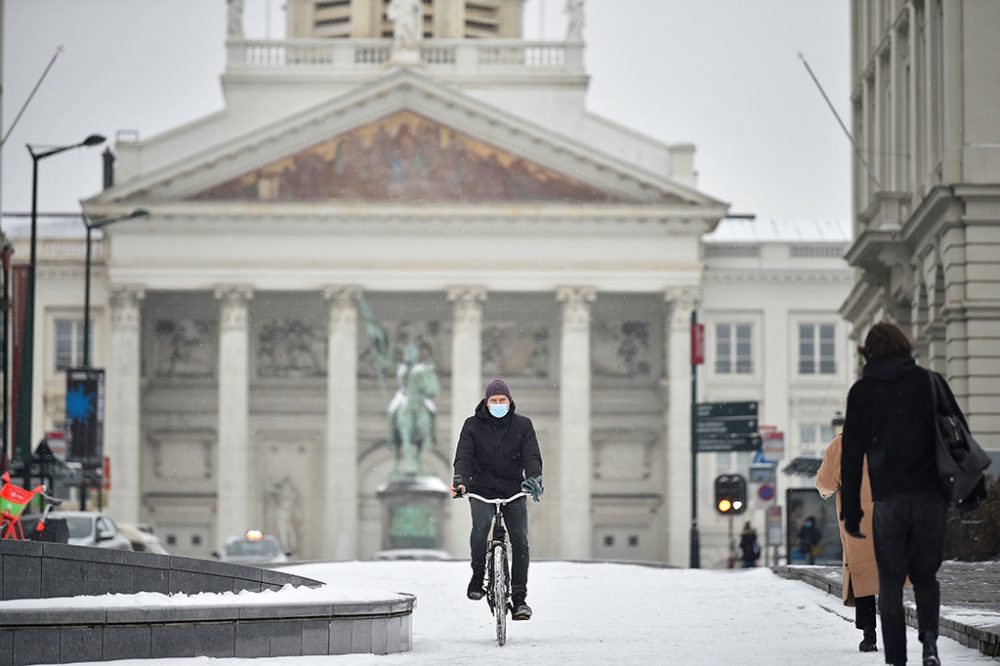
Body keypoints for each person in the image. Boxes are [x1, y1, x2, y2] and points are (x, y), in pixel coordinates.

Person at [841, 322, 956, 666]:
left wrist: (852, 511)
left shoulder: (862, 392)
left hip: (888, 499)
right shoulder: (929, 382)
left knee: (890, 580)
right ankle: (930, 643)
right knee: (925, 576)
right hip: (929, 497)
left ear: (869, 353)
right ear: (905, 346)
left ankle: (896, 657)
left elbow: (850, 454)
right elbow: (955, 431)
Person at [451, 379, 543, 621]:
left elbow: (532, 456)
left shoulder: (523, 425)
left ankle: (520, 599)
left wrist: (534, 477)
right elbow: (463, 456)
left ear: (510, 402)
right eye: (494, 400)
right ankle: (477, 575)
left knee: (520, 541)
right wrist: (460, 480)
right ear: (486, 402)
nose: (498, 404)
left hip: (513, 489)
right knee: (481, 528)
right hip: (481, 488)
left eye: (503, 400)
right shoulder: (472, 426)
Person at [816, 433, 879, 653]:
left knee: (863, 573)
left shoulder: (841, 444)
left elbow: (825, 482)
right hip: (892, 515)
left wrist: (825, 492)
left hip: (858, 519)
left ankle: (869, 633)